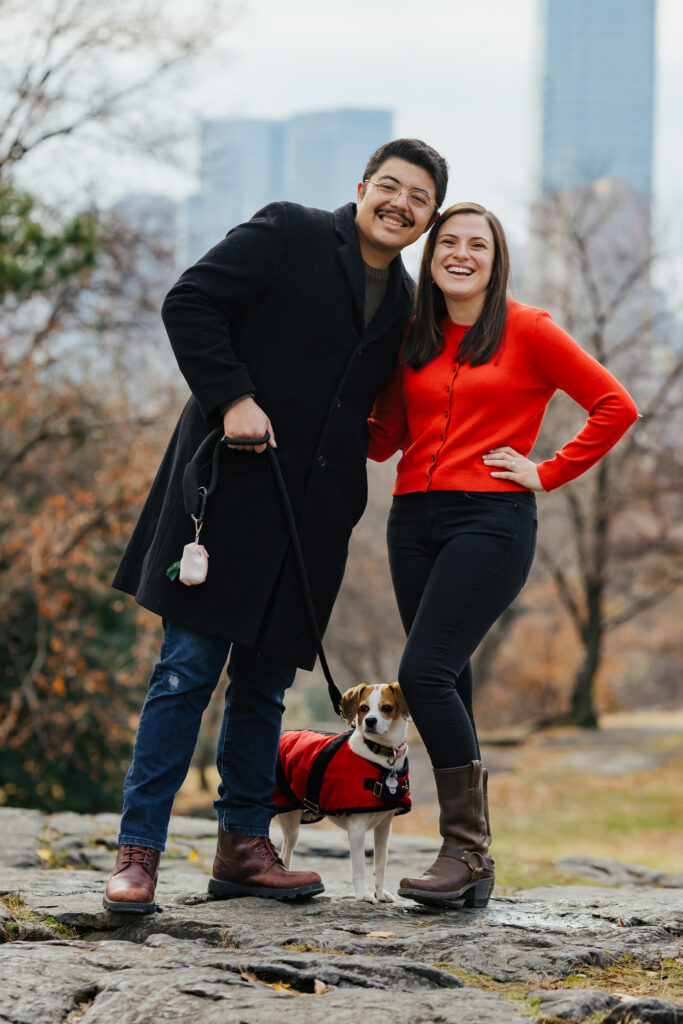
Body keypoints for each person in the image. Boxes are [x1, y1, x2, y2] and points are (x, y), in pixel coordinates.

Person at [103, 139, 449, 913]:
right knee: (186, 673)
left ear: (425, 219)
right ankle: (138, 857)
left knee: (263, 687)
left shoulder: (401, 303)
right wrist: (231, 398)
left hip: (312, 523)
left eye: (417, 199)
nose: (398, 204)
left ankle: (243, 847)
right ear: (361, 187)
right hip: (226, 498)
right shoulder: (288, 230)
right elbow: (188, 301)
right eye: (388, 187)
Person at [367, 202, 638, 908]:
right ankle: (470, 872)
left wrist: (546, 470)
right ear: (429, 258)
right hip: (411, 519)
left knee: (420, 673)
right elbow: (386, 432)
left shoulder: (528, 329)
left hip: (490, 519)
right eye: (446, 242)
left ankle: (464, 850)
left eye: (475, 244)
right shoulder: (413, 335)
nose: (459, 253)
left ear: (495, 257)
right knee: (446, 679)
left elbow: (614, 406)